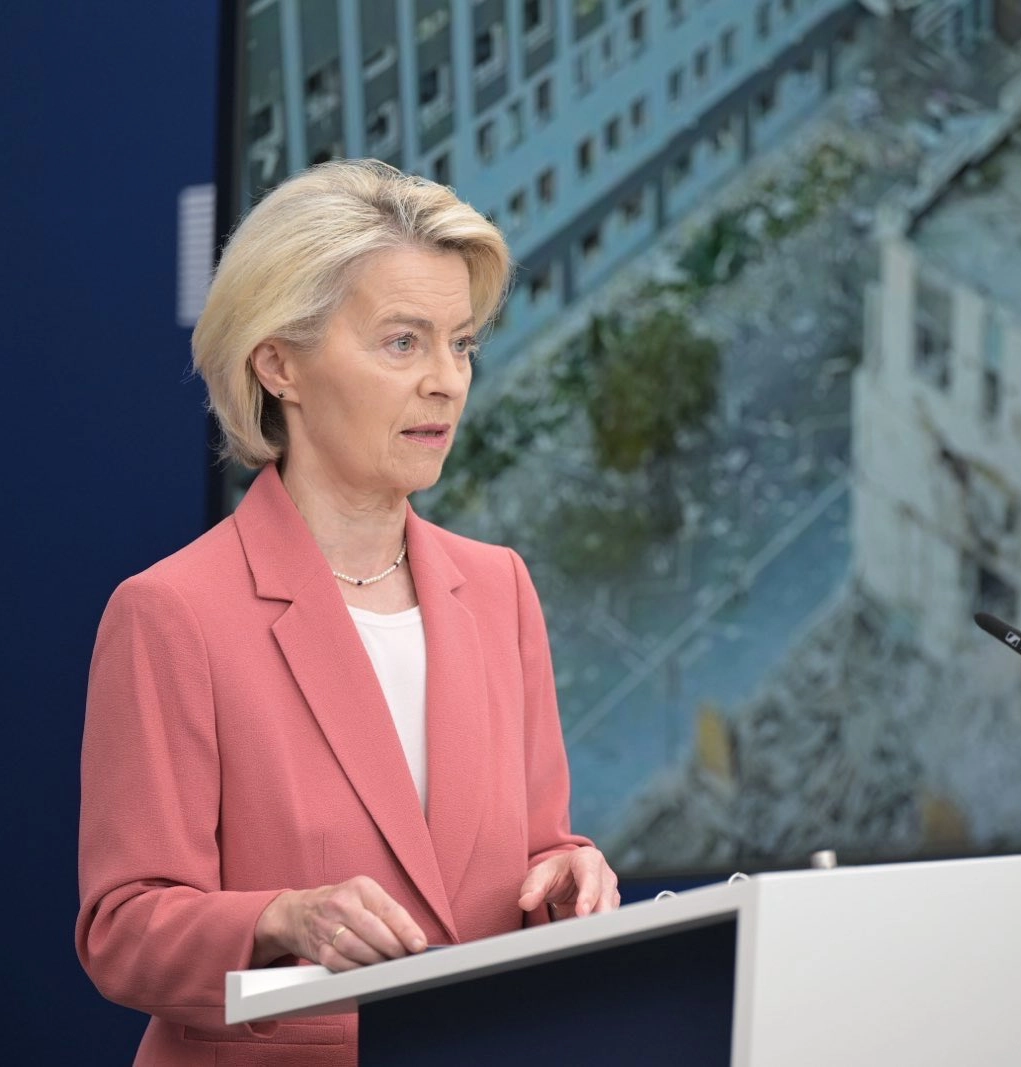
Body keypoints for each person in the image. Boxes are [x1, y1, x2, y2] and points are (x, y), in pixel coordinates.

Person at [76, 159, 619, 1065]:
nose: (447, 381)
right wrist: (282, 917)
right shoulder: (171, 614)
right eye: (403, 342)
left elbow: (532, 851)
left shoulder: (500, 588)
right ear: (278, 362)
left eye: (461, 344)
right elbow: (123, 931)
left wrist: (568, 871)